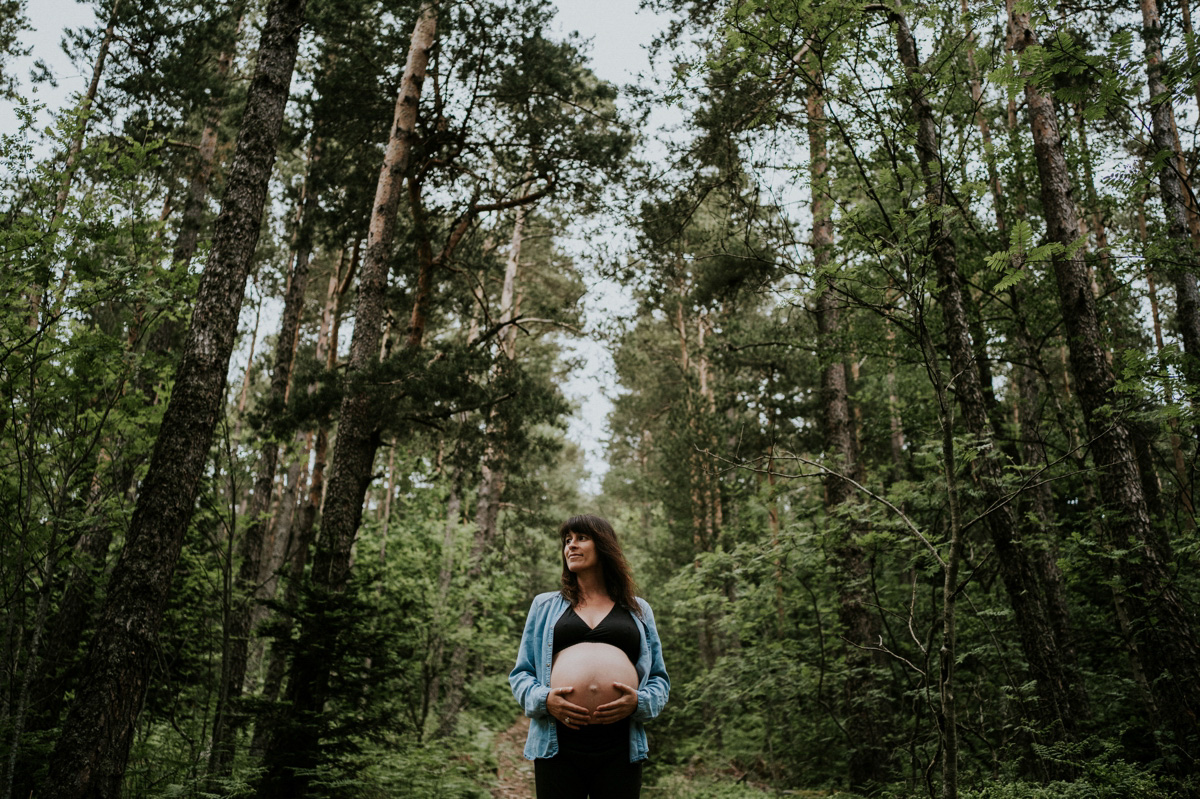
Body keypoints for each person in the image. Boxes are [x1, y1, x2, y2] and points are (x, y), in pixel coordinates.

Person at [510, 514, 670, 799]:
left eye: (581, 538)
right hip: (557, 744)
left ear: (604, 546)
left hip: (620, 746)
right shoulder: (544, 606)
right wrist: (545, 700)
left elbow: (658, 679)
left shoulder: (638, 610)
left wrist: (639, 702)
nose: (571, 546)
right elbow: (522, 674)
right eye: (567, 540)